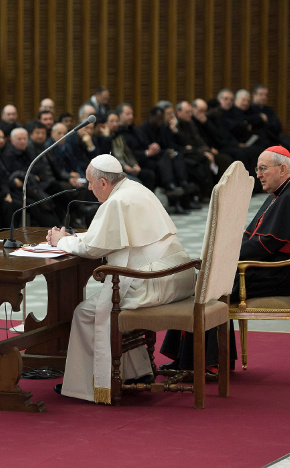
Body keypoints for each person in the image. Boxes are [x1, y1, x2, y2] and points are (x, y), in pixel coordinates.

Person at [47, 154, 195, 404]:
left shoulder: (116, 202)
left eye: (91, 182)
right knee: (111, 300)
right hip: (179, 274)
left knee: (85, 312)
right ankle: (136, 372)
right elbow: (107, 238)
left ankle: (88, 386)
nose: (89, 188)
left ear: (104, 182)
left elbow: (92, 249)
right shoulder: (137, 188)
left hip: (154, 281)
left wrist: (61, 241)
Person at [160, 146, 290, 371]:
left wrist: (225, 255)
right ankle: (201, 359)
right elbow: (253, 236)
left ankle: (204, 363)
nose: (259, 175)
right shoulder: (286, 192)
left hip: (280, 274)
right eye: (257, 169)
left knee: (211, 288)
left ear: (282, 169)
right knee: (209, 281)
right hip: (275, 270)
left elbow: (266, 243)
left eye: (263, 169)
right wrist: (225, 250)